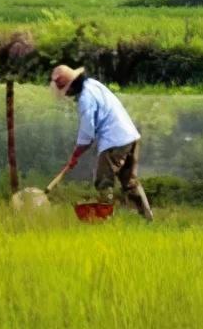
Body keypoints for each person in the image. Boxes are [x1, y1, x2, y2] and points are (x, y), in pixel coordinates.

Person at [51, 64, 153, 221]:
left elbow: (87, 132)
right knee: (130, 182)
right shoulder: (93, 84)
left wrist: (75, 155)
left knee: (103, 181)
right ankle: (146, 218)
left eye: (66, 91)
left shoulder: (85, 99)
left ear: (71, 87)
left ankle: (105, 219)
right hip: (131, 136)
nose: (67, 95)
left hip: (115, 140)